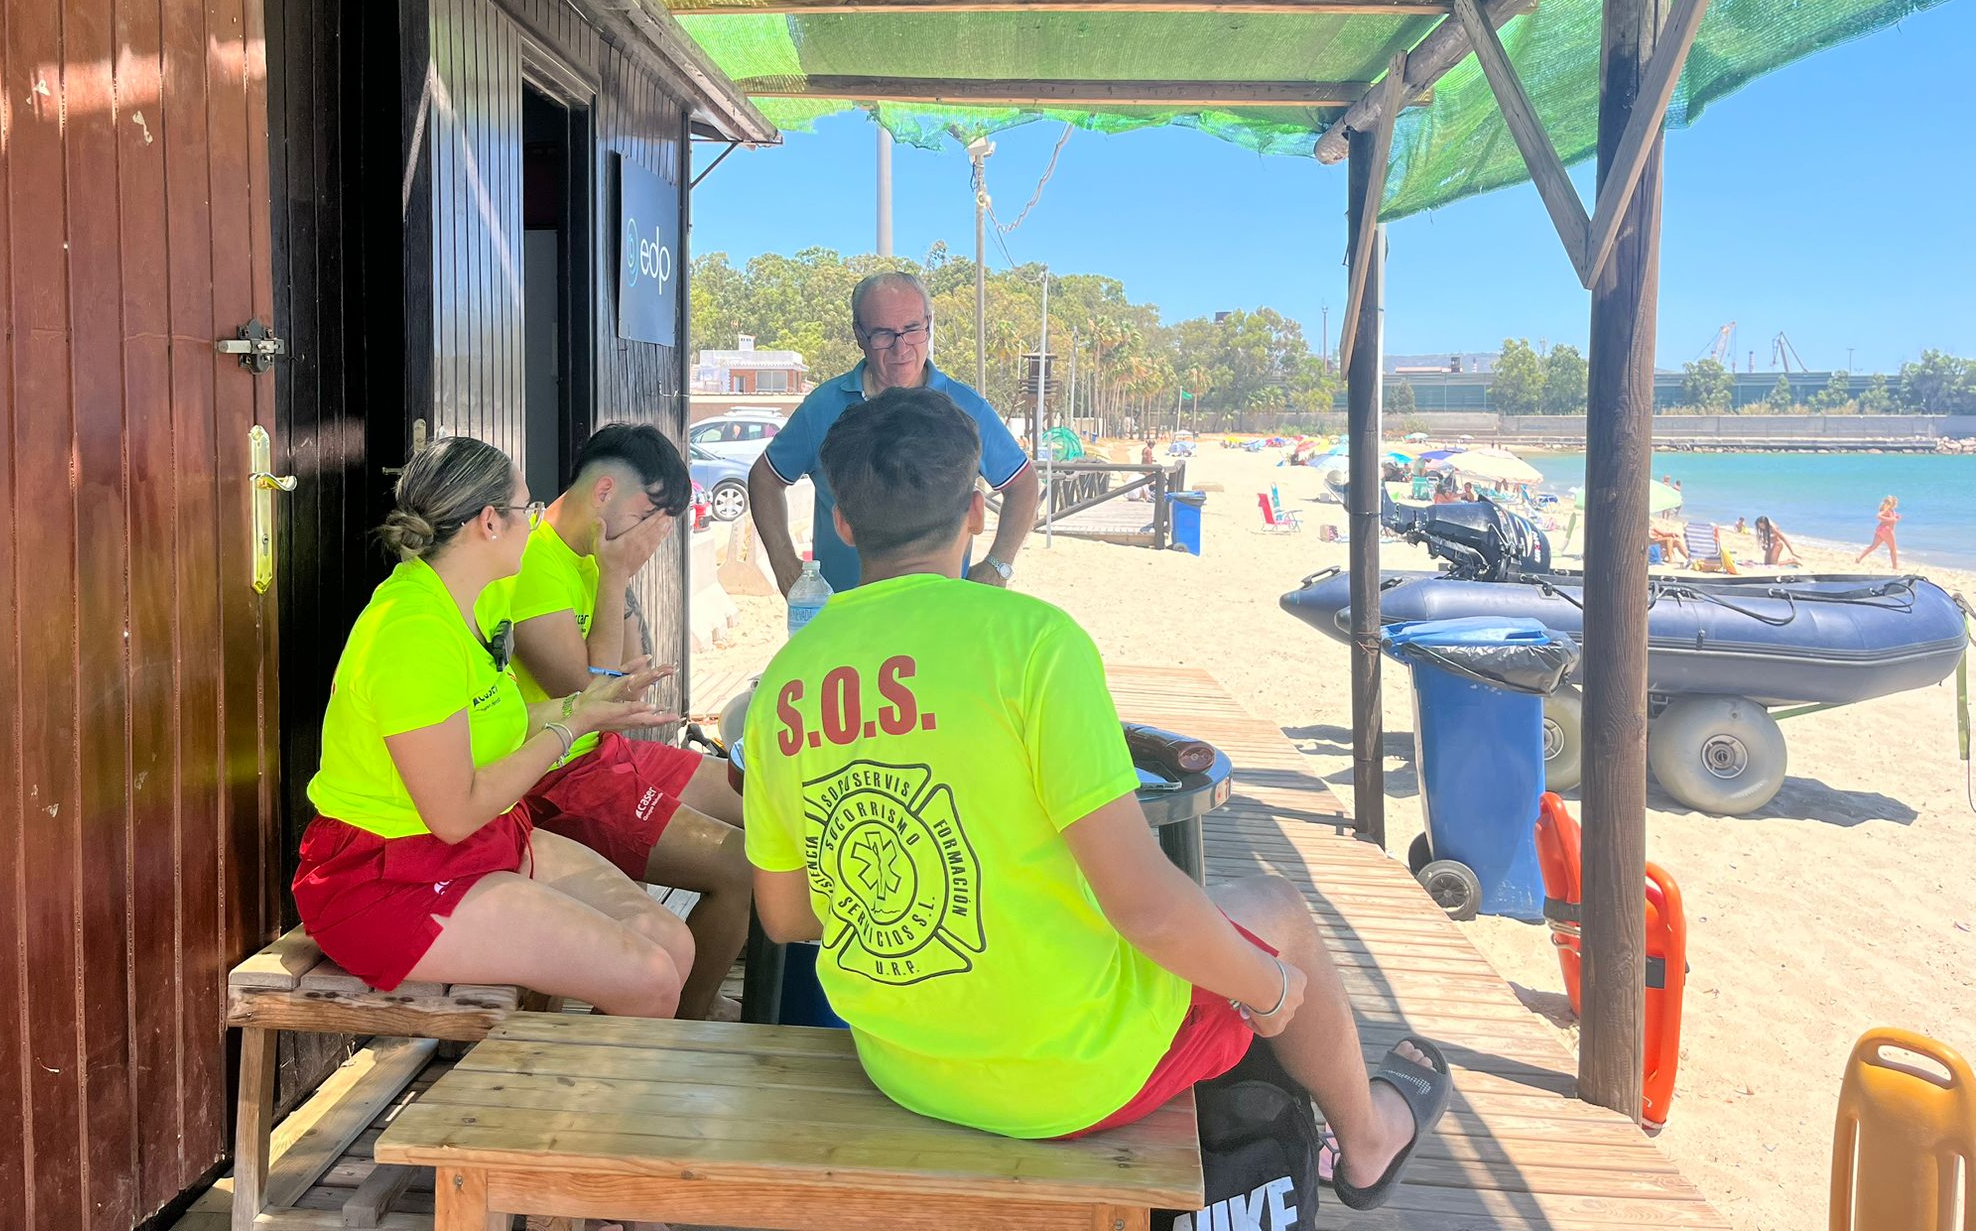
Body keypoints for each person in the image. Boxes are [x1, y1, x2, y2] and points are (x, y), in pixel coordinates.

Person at [741, 388, 1451, 1207]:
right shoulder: (1033, 644)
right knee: (1281, 915)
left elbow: (788, 917)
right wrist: (1274, 988)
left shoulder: (785, 685)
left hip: (901, 1061)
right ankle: (1367, 1143)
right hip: (1071, 1080)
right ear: (976, 511)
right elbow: (1146, 910)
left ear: (845, 526)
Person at [293, 436, 692, 1013]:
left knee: (670, 941)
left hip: (482, 843)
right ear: (488, 522)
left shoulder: (468, 599)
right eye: (525, 510)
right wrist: (568, 728)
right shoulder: (413, 633)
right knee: (649, 977)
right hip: (385, 879)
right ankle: (578, 1102)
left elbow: (490, 722)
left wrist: (583, 707)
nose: (536, 523)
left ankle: (583, 1094)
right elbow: (453, 815)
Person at [479, 422, 748, 1020]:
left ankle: (696, 997)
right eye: (651, 514)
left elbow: (624, 671)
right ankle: (687, 1024)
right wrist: (618, 574)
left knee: (759, 799)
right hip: (555, 774)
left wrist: (614, 578)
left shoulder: (587, 557)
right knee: (740, 866)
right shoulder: (535, 565)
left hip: (601, 755)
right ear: (604, 492)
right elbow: (586, 696)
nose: (657, 534)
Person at [748, 271, 1038, 594]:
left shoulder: (967, 407)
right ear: (859, 335)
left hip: (942, 619)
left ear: (929, 324)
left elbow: (1023, 484)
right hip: (847, 620)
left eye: (913, 330)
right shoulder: (821, 407)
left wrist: (999, 565)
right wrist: (784, 564)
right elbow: (765, 478)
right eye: (884, 334)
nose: (902, 349)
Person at [1856, 495, 1900, 567]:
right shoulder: (1887, 510)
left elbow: (1891, 519)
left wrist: (1895, 518)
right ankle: (1895, 566)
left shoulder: (1890, 511)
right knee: (1893, 549)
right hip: (1887, 530)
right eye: (1896, 503)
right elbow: (1878, 516)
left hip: (1880, 530)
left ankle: (1859, 558)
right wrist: (1891, 519)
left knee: (1873, 546)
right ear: (1893, 504)